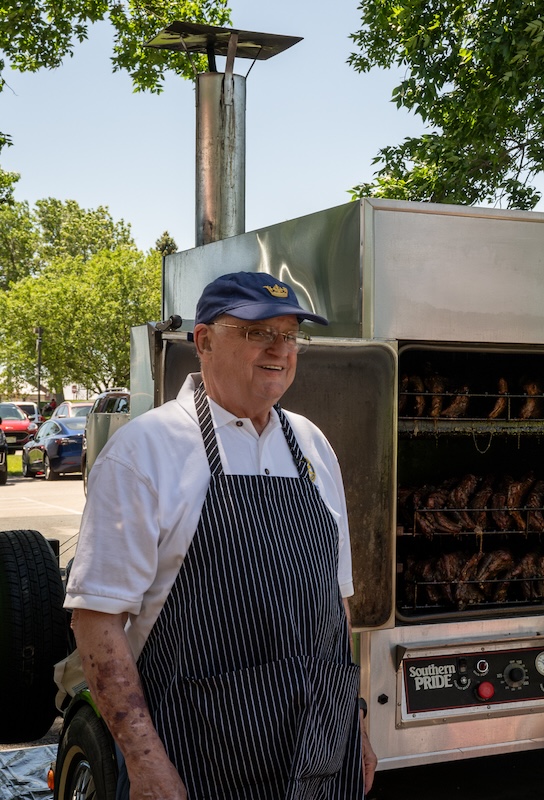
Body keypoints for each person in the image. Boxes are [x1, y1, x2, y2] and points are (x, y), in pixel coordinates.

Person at [65, 271, 377, 799]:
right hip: (197, 763)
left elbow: (335, 608)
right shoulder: (146, 451)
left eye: (290, 335)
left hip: (321, 756)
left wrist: (358, 724)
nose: (280, 349)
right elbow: (97, 622)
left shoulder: (311, 445)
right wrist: (144, 765)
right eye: (258, 332)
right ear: (204, 341)